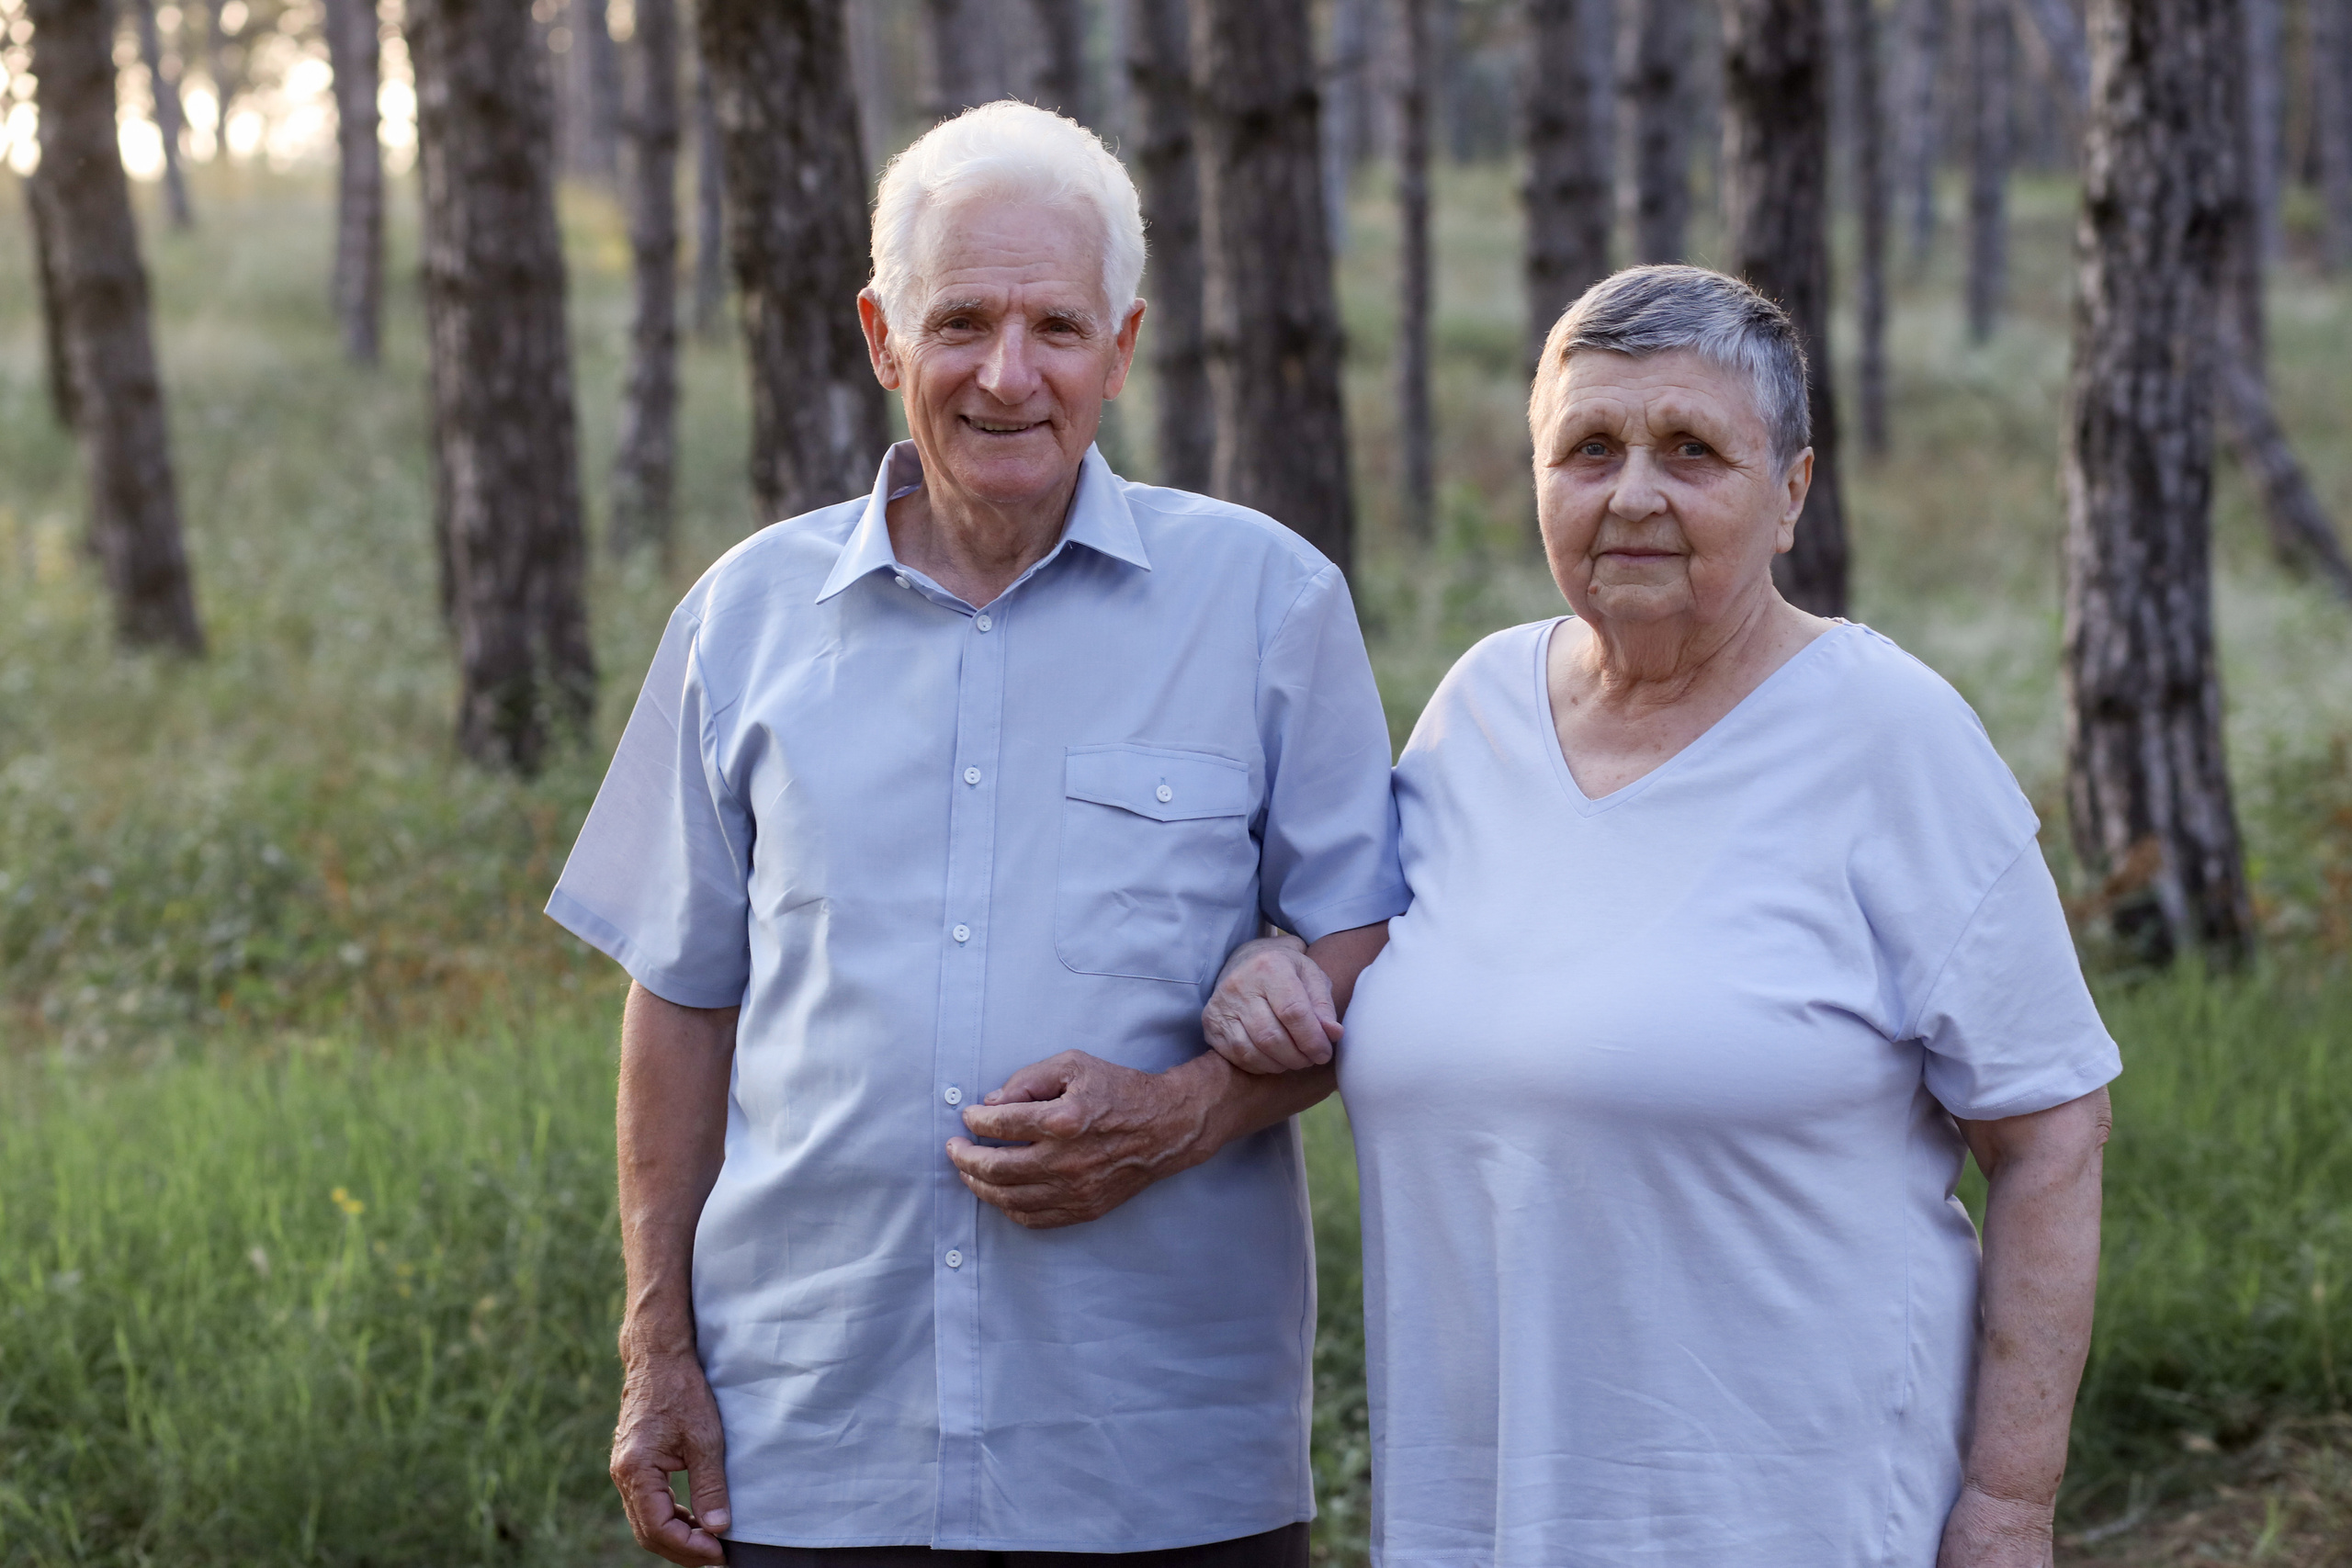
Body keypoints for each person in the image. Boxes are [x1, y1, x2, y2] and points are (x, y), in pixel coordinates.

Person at [548, 102, 1400, 1567]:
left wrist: (1178, 1114)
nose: (1009, 375)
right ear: (883, 337)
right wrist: (655, 1355)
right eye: (963, 323)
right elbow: (681, 1000)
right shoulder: (743, 621)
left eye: (1059, 327)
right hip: (808, 1447)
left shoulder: (1270, 603)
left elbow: (1370, 952)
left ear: (1122, 349)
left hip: (1157, 1458)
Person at [1204, 265, 2120, 1568]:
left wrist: (2010, 1508)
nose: (1633, 494)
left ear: (1791, 492)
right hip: (1481, 1519)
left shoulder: (1888, 736)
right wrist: (1270, 965)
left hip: (1795, 1521)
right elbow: (1389, 968)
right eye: (1590, 449)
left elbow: (2053, 1134)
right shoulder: (1477, 714)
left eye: (1692, 451)